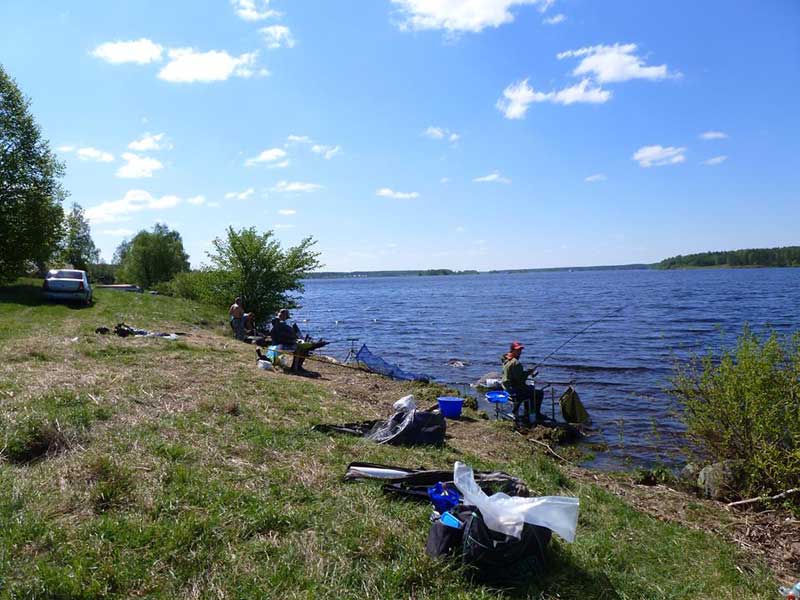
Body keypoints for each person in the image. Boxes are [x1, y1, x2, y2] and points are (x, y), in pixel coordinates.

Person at [268, 308, 328, 374]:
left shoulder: (289, 324)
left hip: (288, 343)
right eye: (282, 315)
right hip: (280, 344)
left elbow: (298, 334)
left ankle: (298, 366)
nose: (283, 316)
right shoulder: (275, 323)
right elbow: (279, 336)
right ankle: (295, 369)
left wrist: (300, 339)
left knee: (305, 348)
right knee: (299, 348)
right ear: (279, 315)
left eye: (285, 315)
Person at [501, 341, 545, 425]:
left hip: (506, 388)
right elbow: (520, 380)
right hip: (514, 390)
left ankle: (527, 412)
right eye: (517, 350)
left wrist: (526, 373)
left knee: (530, 389)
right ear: (512, 350)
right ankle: (535, 414)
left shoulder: (506, 358)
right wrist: (528, 373)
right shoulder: (516, 363)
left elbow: (514, 375)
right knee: (539, 393)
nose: (520, 352)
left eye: (520, 350)